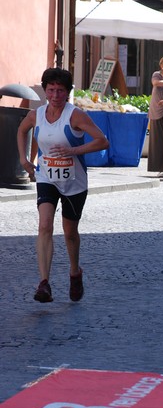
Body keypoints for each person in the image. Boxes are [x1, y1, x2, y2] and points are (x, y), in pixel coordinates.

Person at [17, 67, 109, 303]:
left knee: (69, 233)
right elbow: (22, 130)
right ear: (45, 91)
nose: (55, 95)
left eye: (60, 90)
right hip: (47, 178)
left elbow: (102, 141)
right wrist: (24, 159)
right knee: (45, 226)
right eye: (51, 90)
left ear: (67, 93)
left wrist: (74, 150)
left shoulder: (75, 115)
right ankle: (44, 283)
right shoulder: (36, 115)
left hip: (74, 183)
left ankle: (75, 272)